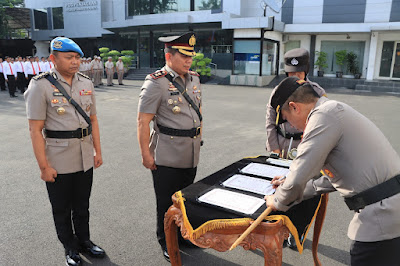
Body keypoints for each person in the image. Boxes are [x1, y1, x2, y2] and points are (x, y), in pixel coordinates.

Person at [265, 76, 400, 266]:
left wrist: (277, 200)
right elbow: (332, 178)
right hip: (391, 210)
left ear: (295, 107)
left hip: (382, 216)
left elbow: (299, 174)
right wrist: (289, 182)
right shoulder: (333, 109)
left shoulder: (323, 116)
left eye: (287, 119)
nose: (292, 127)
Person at [24, 37, 105, 266]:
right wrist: (44, 167)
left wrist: (98, 151)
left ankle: (85, 241)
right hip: (57, 159)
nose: (75, 62)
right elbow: (35, 129)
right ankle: (70, 248)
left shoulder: (86, 83)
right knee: (62, 208)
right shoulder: (40, 85)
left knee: (82, 205)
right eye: (69, 57)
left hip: (84, 156)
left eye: (77, 57)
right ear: (53, 58)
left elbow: (94, 120)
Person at [137, 32, 202, 262]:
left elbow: (197, 114)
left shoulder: (194, 79)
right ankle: (165, 239)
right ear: (168, 55)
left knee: (185, 200)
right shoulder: (156, 83)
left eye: (190, 56)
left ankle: (183, 236)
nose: (189, 61)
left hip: (190, 152)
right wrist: (146, 154)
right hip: (166, 153)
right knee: (165, 202)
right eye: (183, 56)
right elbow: (143, 121)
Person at [266, 48, 326, 157]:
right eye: (292, 73)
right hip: (281, 144)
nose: (295, 77)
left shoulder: (317, 92)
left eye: (299, 73)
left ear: (306, 71)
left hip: (305, 145)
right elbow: (270, 122)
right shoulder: (278, 92)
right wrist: (274, 148)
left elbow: (322, 124)